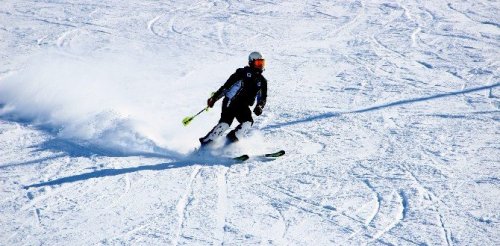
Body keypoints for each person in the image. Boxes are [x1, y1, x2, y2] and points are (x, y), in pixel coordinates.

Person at [199, 51, 268, 147]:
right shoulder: (241, 73)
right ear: (251, 62)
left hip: (243, 106)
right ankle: (206, 143)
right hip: (231, 102)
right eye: (258, 63)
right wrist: (214, 98)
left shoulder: (262, 81)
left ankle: (230, 143)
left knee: (247, 123)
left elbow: (262, 97)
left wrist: (259, 106)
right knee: (225, 124)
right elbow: (225, 87)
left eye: (262, 63)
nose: (260, 66)